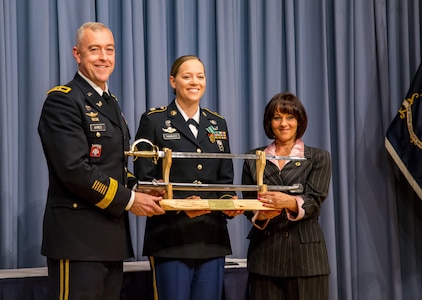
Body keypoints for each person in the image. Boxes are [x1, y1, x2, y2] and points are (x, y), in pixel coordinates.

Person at [38, 21, 165, 299]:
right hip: (78, 240)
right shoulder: (63, 101)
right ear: (77, 54)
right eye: (94, 49)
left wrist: (140, 188)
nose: (103, 57)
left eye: (109, 49)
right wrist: (131, 200)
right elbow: (74, 170)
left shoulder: (110, 103)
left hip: (110, 238)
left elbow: (114, 167)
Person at [134, 55, 241, 300]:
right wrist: (183, 202)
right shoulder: (154, 120)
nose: (195, 82)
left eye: (200, 76)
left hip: (211, 237)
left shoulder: (218, 123)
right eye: (187, 76)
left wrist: (229, 204)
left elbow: (225, 182)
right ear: (173, 81)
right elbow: (145, 182)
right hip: (170, 237)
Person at [242, 92, 331, 300]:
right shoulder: (253, 158)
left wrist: (289, 202)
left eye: (290, 117)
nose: (284, 123)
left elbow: (314, 201)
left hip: (307, 260)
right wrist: (261, 215)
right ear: (269, 122)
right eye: (277, 117)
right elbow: (248, 205)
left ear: (299, 121)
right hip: (264, 256)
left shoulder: (318, 157)